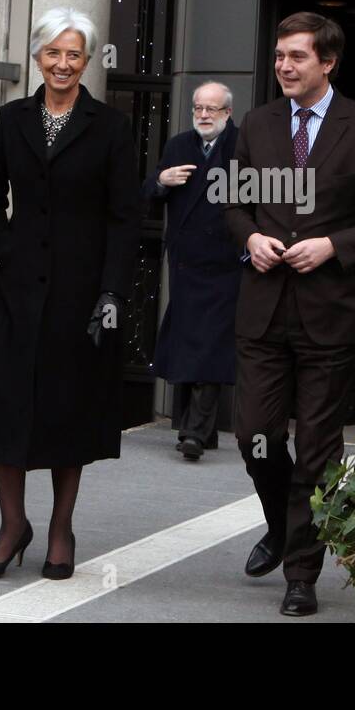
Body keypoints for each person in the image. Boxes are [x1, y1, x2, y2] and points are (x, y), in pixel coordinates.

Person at [224, 12, 355, 617]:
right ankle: (281, 525)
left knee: (316, 452)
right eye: (279, 55)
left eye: (296, 57)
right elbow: (234, 201)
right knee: (254, 435)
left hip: (332, 313)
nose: (283, 65)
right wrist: (250, 237)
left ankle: (301, 572)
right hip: (263, 310)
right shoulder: (255, 124)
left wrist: (335, 246)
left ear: (327, 63)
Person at [0, 7, 140, 579]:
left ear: (87, 61)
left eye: (74, 55)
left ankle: (61, 528)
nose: (62, 64)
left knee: (69, 411)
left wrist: (112, 291)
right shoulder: (12, 118)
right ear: (37, 57)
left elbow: (123, 219)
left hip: (80, 297)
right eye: (52, 53)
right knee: (6, 408)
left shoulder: (110, 126)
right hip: (16, 293)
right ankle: (12, 526)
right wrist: (7, 251)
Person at [144, 81, 241, 461]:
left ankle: (195, 433)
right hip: (185, 262)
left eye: (211, 109)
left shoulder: (243, 146)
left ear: (227, 113)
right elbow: (147, 192)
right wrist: (161, 182)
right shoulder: (178, 145)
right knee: (188, 340)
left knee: (210, 344)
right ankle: (199, 430)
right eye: (198, 108)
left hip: (225, 262)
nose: (203, 115)